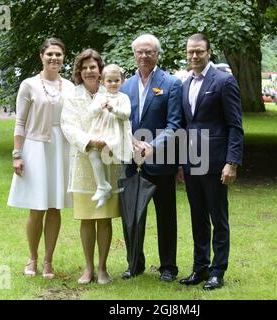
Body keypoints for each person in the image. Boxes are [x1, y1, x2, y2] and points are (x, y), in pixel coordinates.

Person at [178, 33, 244, 290]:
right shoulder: (185, 84)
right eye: (190, 52)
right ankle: (200, 267)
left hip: (216, 161)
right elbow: (185, 126)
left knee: (218, 217)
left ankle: (218, 270)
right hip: (193, 161)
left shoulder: (224, 81)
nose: (194, 56)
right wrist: (182, 163)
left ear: (209, 52)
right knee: (197, 217)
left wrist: (232, 162)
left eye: (199, 52)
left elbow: (235, 126)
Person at [7, 38, 75, 279]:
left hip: (61, 148)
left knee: (55, 206)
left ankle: (48, 261)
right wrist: (17, 154)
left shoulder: (70, 86)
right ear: (41, 56)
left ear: (63, 57)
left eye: (58, 54)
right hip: (36, 147)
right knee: (37, 207)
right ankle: (32, 258)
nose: (54, 58)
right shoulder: (29, 85)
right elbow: (20, 122)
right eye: (50, 54)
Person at [120, 34, 183, 282]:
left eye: (149, 51)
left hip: (162, 161)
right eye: (140, 52)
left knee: (166, 216)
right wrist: (130, 142)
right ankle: (134, 263)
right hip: (131, 161)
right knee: (132, 216)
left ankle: (168, 267)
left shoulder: (171, 83)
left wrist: (153, 146)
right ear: (134, 54)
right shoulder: (124, 86)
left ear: (157, 54)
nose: (144, 56)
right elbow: (120, 123)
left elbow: (175, 124)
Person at [61, 49, 122, 285]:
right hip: (84, 162)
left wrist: (107, 139)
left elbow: (120, 122)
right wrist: (88, 141)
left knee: (104, 219)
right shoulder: (73, 97)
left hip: (107, 160)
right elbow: (68, 125)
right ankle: (88, 268)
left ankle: (103, 268)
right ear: (79, 71)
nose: (89, 71)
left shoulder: (112, 93)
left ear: (100, 70)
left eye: (93, 67)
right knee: (87, 219)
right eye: (84, 67)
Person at [87, 64, 133, 209]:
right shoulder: (99, 96)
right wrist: (99, 106)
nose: (113, 84)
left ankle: (114, 188)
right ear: (102, 82)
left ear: (122, 81)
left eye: (116, 80)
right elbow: (90, 113)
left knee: (115, 161)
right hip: (99, 132)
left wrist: (113, 109)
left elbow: (126, 114)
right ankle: (102, 186)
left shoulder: (123, 97)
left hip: (114, 133)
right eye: (110, 81)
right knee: (93, 154)